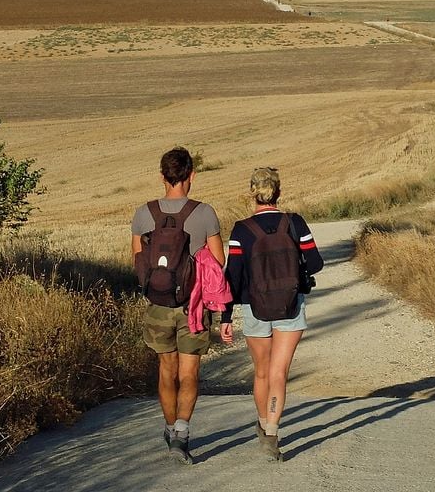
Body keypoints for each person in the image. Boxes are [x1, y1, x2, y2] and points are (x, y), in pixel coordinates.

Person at [220, 167, 323, 462]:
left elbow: (234, 276)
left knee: (262, 372)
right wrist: (293, 271)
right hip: (290, 303)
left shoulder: (241, 229)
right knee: (279, 373)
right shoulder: (295, 223)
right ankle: (272, 433)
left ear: (252, 193)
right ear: (278, 191)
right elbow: (315, 262)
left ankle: (263, 424)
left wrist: (226, 317)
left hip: (254, 307)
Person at [131, 147, 224, 464]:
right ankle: (181, 437)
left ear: (162, 176)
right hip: (193, 307)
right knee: (189, 373)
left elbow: (137, 259)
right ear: (191, 175)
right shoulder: (205, 213)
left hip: (157, 305)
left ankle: (170, 428)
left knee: (165, 370)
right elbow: (219, 261)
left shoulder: (144, 213)